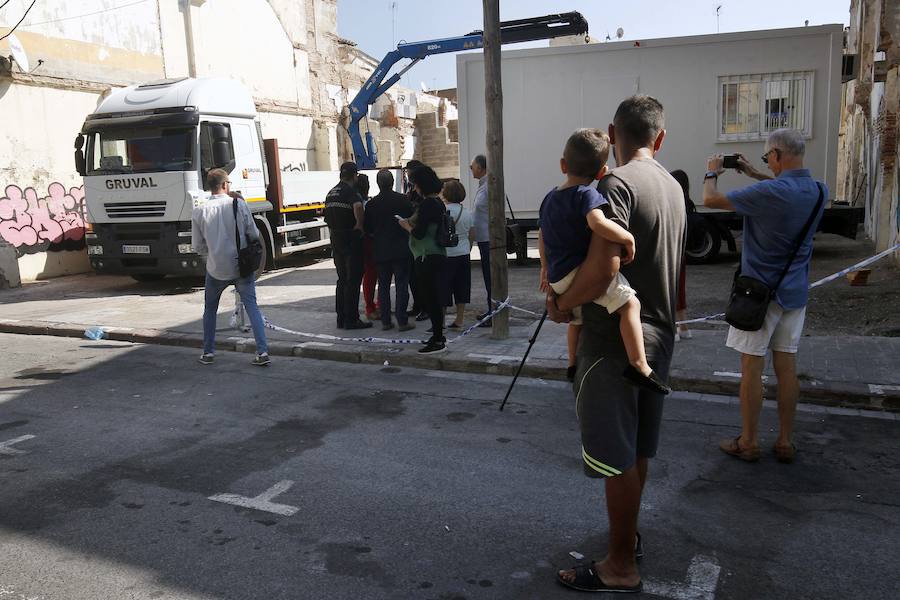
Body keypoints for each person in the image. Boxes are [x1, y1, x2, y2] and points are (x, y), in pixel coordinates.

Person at [552, 95, 685, 594]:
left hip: (611, 340)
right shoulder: (672, 185)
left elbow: (605, 265)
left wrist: (564, 307)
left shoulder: (615, 184)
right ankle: (626, 541)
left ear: (614, 132)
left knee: (615, 457)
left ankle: (620, 565)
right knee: (637, 451)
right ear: (661, 137)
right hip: (658, 335)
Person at [703, 128, 826, 464]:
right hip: (795, 292)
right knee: (787, 366)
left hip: (758, 294)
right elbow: (777, 186)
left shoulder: (772, 192)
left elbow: (711, 199)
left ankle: (749, 441)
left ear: (776, 155)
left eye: (766, 158)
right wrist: (754, 172)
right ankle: (785, 441)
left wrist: (712, 170)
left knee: (751, 367)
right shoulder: (818, 190)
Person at [539, 129, 670, 394]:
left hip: (557, 275)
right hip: (578, 272)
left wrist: (544, 268)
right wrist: (627, 238)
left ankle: (573, 363)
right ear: (602, 173)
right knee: (630, 304)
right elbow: (597, 223)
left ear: (563, 164)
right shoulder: (586, 195)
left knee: (577, 321)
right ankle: (640, 365)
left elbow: (542, 235)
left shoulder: (549, 197)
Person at [192, 168, 270, 366]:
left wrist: (212, 252)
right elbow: (252, 233)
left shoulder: (199, 210)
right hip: (240, 266)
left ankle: (208, 353)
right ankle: (262, 352)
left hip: (215, 268)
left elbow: (198, 246)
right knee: (252, 306)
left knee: (210, 309)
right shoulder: (238, 205)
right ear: (225, 185)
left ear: (210, 187)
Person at [398, 165, 448, 354]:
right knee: (434, 298)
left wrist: (405, 225)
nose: (414, 188)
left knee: (431, 299)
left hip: (427, 255)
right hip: (437, 254)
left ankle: (437, 339)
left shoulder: (428, 204)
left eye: (416, 184)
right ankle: (437, 335)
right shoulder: (438, 202)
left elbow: (418, 233)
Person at [364, 168, 416, 332]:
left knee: (384, 287)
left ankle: (386, 320)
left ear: (377, 184)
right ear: (393, 182)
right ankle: (402, 320)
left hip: (381, 250)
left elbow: (368, 228)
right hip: (401, 249)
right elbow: (411, 220)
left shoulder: (372, 204)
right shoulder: (403, 200)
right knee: (401, 285)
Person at [325, 161, 371, 330]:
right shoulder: (350, 192)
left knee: (342, 279)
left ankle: (341, 318)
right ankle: (352, 320)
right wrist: (359, 224)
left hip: (336, 239)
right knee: (353, 280)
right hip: (351, 239)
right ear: (354, 176)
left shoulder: (331, 192)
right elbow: (358, 206)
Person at [439, 180, 475, 329]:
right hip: (463, 253)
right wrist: (468, 247)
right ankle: (459, 319)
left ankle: (441, 321)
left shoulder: (443, 212)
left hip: (446, 254)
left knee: (444, 288)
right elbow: (472, 234)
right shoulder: (467, 213)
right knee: (462, 286)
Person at [669, 169, 695, 341]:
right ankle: (684, 327)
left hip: (669, 252)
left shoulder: (671, 202)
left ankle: (673, 329)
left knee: (669, 290)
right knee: (680, 291)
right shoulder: (689, 203)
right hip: (682, 253)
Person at [404, 160, 428, 321]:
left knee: (422, 277)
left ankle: (425, 307)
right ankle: (418, 305)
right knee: (413, 276)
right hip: (411, 239)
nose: (407, 175)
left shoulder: (423, 192)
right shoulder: (411, 189)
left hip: (420, 238)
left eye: (409, 172)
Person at [470, 154, 492, 325]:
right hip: (483, 239)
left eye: (473, 166)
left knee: (491, 277)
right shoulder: (482, 185)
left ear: (481, 168)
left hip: (489, 239)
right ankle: (491, 309)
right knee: (487, 276)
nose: (471, 169)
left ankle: (494, 312)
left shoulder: (490, 186)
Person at [357, 173, 379, 322]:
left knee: (368, 276)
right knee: (372, 275)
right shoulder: (367, 204)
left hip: (361, 242)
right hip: (370, 242)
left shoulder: (357, 201)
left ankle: (370, 307)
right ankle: (372, 308)